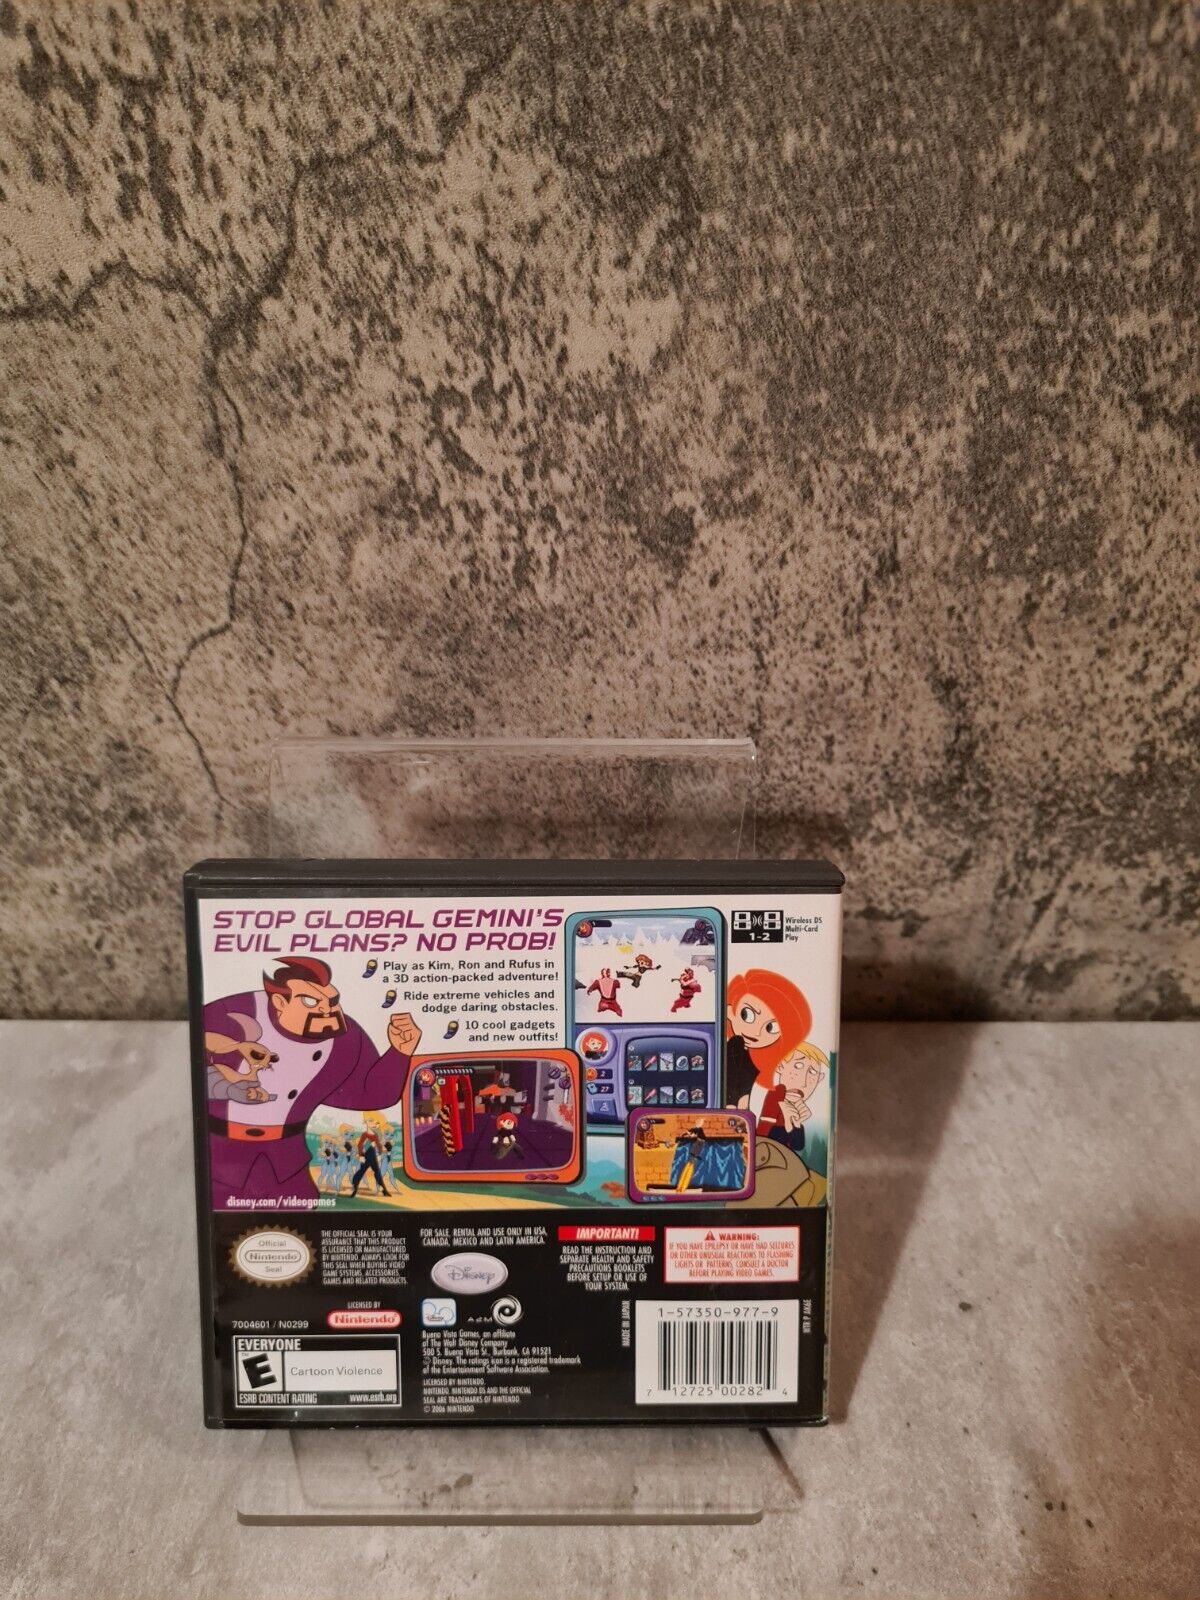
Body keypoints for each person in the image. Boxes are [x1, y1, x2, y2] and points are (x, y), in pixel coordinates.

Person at [203, 956, 420, 1206]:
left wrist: (400, 1051)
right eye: (310, 1001)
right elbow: (198, 1058)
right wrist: (229, 1072)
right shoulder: (239, 1010)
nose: (325, 1010)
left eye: (332, 1001)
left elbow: (374, 1094)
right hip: (222, 1158)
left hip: (286, 1160)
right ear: (280, 1002)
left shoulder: (345, 1037)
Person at [724, 969, 812, 1108]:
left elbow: (746, 1091)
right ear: (730, 1011)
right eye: (747, 1015)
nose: (756, 1033)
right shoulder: (733, 1047)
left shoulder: (759, 1060)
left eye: (771, 1027)